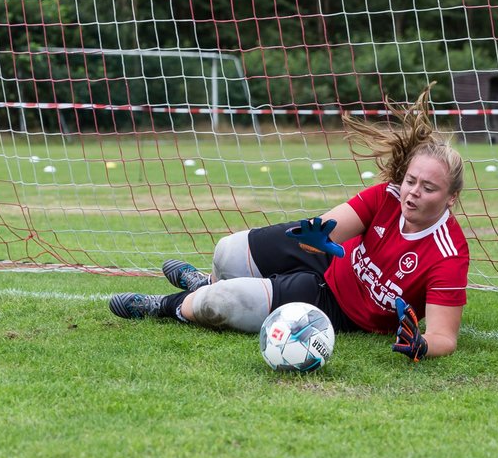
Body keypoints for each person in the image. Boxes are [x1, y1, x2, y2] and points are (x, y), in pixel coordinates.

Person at [106, 89, 469, 361]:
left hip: (337, 306)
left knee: (218, 304)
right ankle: (205, 280)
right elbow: (330, 228)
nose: (412, 192)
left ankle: (163, 305)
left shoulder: (448, 254)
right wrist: (315, 235)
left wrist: (421, 344)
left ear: (450, 198)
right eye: (410, 180)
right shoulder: (386, 196)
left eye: (428, 187)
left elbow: (444, 337)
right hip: (329, 260)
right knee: (226, 251)